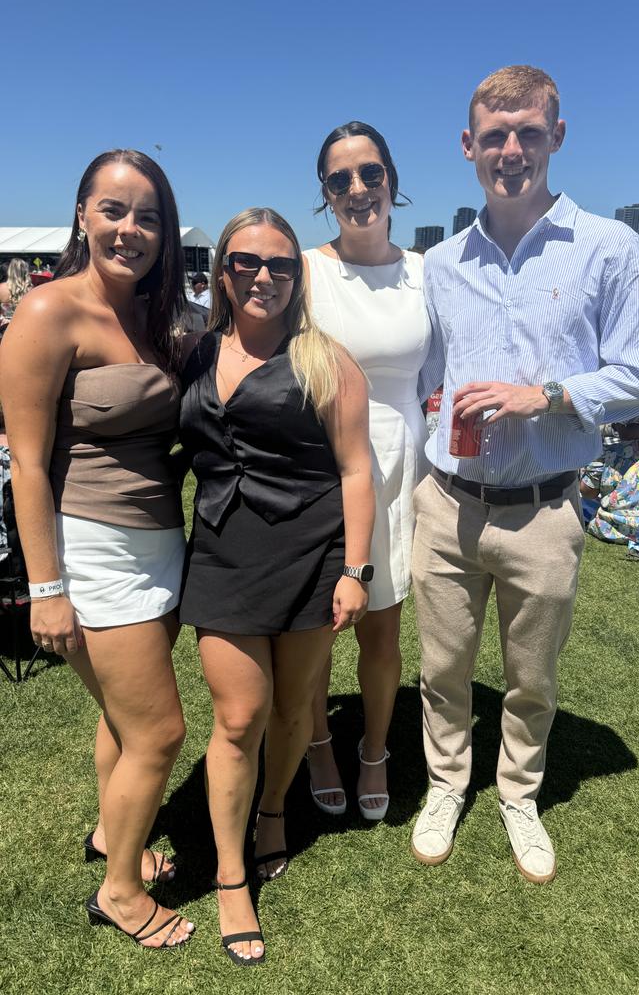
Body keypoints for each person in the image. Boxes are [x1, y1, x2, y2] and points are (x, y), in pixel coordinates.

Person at [411, 65, 639, 884]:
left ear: (557, 135)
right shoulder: (440, 262)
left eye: (529, 133)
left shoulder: (609, 248)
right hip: (447, 502)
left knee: (531, 676)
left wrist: (544, 395)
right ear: (469, 146)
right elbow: (425, 377)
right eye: (495, 135)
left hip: (545, 510)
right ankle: (446, 783)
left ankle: (518, 790)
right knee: (442, 669)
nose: (512, 151)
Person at [0, 149, 195, 946]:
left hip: (159, 543)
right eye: (114, 210)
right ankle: (119, 893)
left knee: (121, 719)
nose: (130, 230)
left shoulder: (157, 316)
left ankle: (113, 838)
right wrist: (47, 588)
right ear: (82, 214)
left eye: (148, 216)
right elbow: (28, 466)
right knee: (160, 730)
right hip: (91, 550)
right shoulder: (47, 314)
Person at [178, 207, 373, 966]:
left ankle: (270, 809)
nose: (264, 276)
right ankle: (232, 878)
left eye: (281, 264)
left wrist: (355, 572)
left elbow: (359, 469)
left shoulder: (328, 360)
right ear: (222, 271)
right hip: (223, 555)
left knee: (295, 709)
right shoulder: (193, 353)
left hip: (311, 556)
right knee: (239, 717)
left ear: (299, 276)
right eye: (247, 262)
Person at [303, 121, 430, 821]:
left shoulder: (423, 272)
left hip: (402, 467)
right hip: (327, 467)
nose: (357, 189)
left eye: (370, 173)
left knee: (383, 630)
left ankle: (374, 750)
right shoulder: (305, 270)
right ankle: (320, 742)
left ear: (392, 180)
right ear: (324, 194)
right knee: (324, 624)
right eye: (339, 179)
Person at [0, 258, 32, 332]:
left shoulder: (1, 288)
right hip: (25, 326)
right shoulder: (32, 290)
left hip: (4, 328)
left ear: (10, 271)